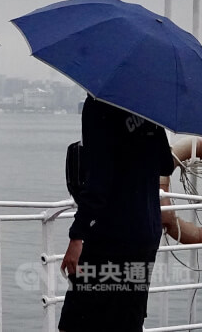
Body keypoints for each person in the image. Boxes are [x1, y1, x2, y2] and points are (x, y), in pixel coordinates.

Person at [59, 95, 175, 332]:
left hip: (111, 235)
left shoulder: (98, 105)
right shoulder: (149, 105)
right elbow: (166, 165)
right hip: (146, 232)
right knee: (128, 319)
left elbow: (98, 183)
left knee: (77, 322)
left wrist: (76, 236)